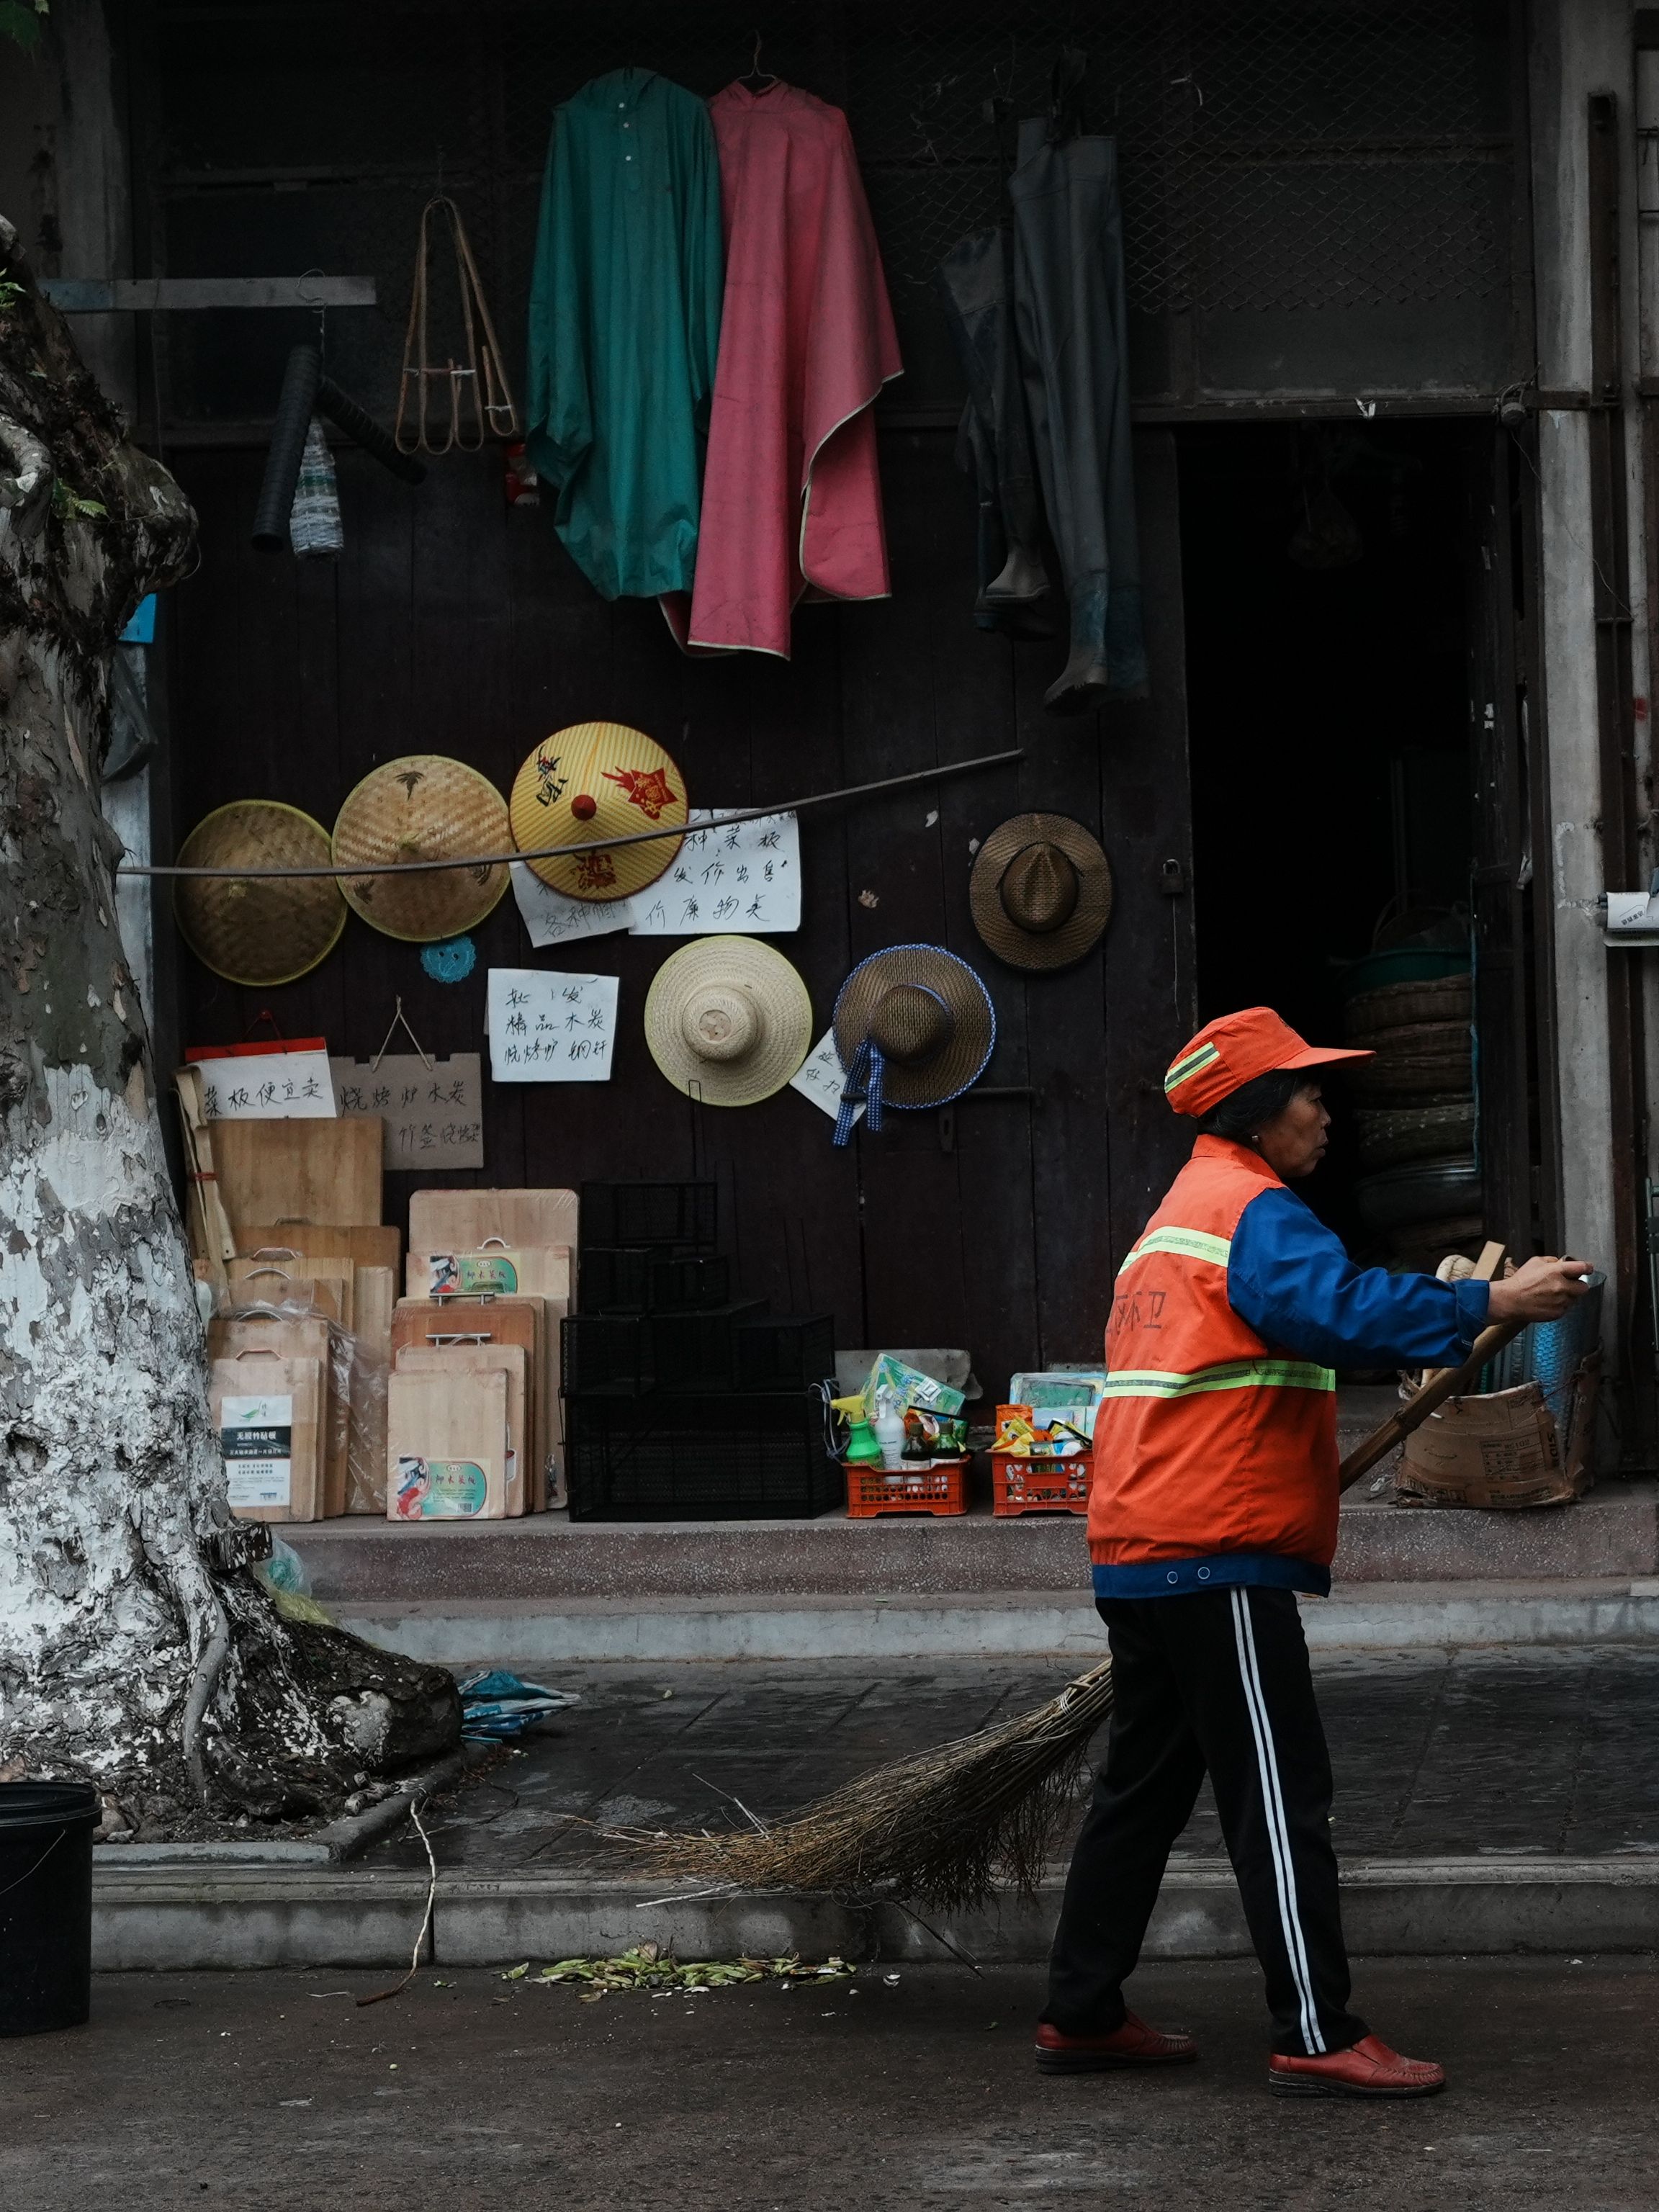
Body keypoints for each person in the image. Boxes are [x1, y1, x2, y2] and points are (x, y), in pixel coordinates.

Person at [1036, 1006, 1593, 2099]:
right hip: (1215, 1552)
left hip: (1143, 1549)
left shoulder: (1173, 1218)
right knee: (1281, 1795)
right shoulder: (1254, 1210)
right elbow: (1338, 1314)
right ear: (1257, 1111)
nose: (1324, 1113)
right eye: (1308, 1093)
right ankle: (1315, 2029)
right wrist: (1494, 1300)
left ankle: (1081, 2009)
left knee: (1142, 1793)